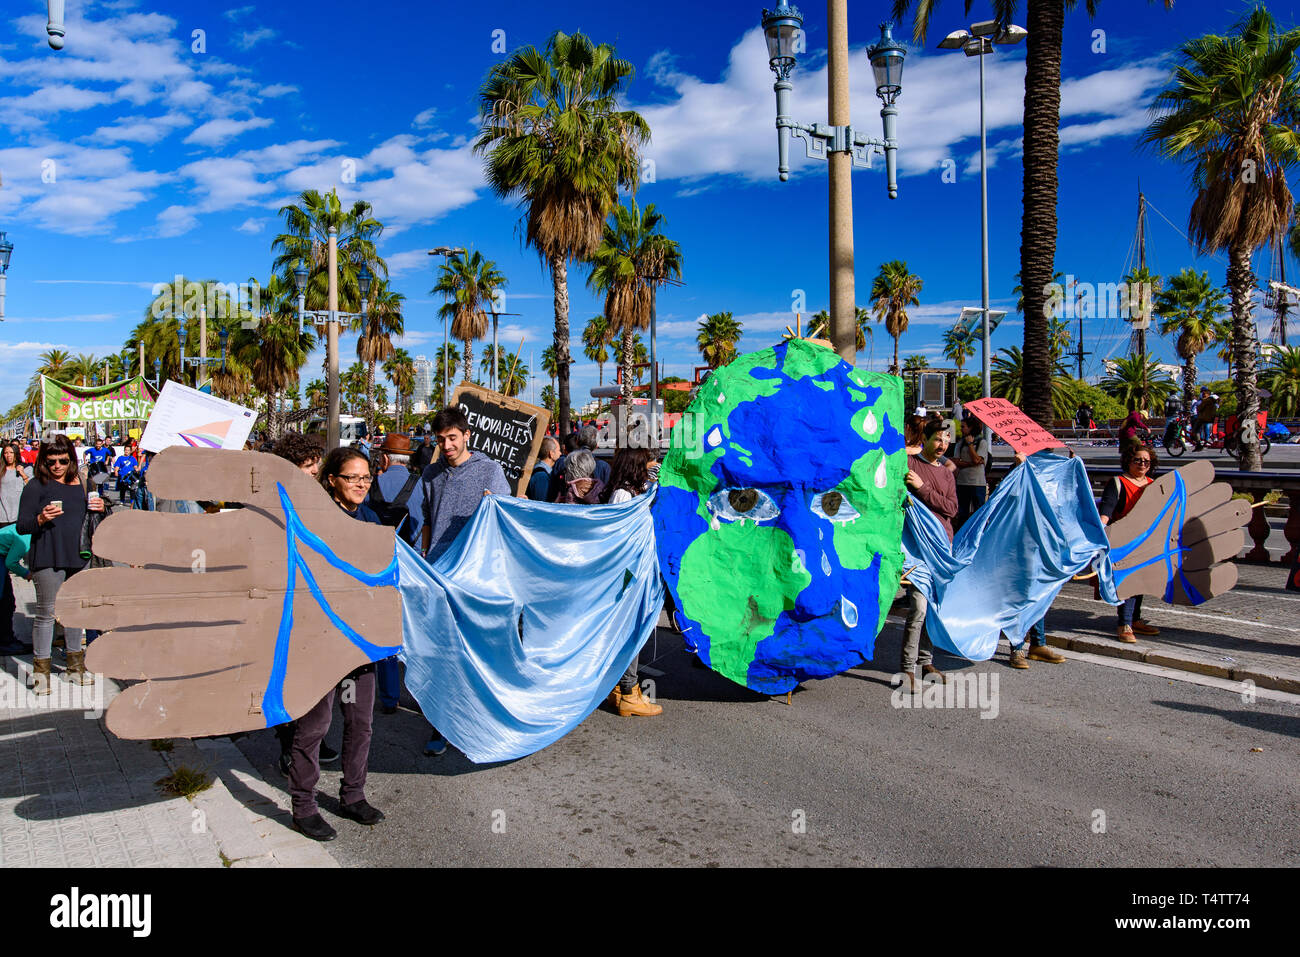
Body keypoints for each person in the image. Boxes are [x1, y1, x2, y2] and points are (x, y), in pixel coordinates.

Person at [288, 446, 387, 842]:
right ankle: (304, 806)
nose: (362, 484)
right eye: (353, 477)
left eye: (367, 477)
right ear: (332, 480)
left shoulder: (372, 518)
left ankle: (353, 796)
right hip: (319, 642)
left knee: (360, 723)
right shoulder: (310, 521)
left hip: (361, 643)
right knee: (314, 726)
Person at [419, 406, 510, 755]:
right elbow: (427, 519)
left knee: (477, 653)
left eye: (452, 438)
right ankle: (441, 725)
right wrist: (426, 556)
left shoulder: (489, 471)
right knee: (442, 655)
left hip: (478, 579)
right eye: (441, 440)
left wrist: (495, 505)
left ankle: (480, 722)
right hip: (439, 576)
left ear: (466, 435)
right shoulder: (430, 474)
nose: (447, 446)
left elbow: (505, 515)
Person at [269, 432, 338, 775]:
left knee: (314, 680)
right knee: (286, 677)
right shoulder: (274, 501)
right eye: (307, 465)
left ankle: (313, 736)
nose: (314, 471)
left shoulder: (319, 498)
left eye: (316, 464)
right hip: (284, 603)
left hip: (314, 603)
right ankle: (289, 745)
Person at [16, 435, 105, 692]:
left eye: (63, 460)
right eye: (51, 460)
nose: (57, 466)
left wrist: (100, 506)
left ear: (71, 459)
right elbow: (23, 525)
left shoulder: (83, 483)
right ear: (43, 460)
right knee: (46, 614)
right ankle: (41, 673)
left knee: (75, 611)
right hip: (46, 556)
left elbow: (94, 516)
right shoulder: (36, 485)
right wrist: (41, 519)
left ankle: (75, 667)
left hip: (79, 556)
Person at [598, 448, 662, 717]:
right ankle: (628, 691)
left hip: (632, 572)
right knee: (631, 630)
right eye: (646, 461)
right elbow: (619, 537)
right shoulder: (624, 495)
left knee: (629, 629)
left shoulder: (631, 492)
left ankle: (619, 689)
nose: (651, 465)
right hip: (627, 575)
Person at [900, 419, 958, 689]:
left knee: (935, 610)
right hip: (915, 550)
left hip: (941, 548)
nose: (943, 445)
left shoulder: (946, 472)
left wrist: (922, 487)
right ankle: (907, 669)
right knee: (919, 609)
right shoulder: (909, 465)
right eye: (938, 439)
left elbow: (951, 509)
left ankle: (927, 662)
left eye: (947, 440)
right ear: (927, 438)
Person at [371, 434, 426, 715]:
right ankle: (419, 692)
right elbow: (421, 526)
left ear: (385, 458)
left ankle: (389, 697)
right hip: (413, 567)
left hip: (381, 567)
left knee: (386, 634)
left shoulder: (373, 486)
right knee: (415, 632)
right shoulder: (419, 486)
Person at [1099, 443, 1160, 643]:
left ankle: (1135, 619)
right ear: (1128, 461)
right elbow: (1107, 510)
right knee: (1129, 581)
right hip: (1123, 541)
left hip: (1146, 540)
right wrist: (1101, 530)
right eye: (1138, 460)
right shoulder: (1118, 483)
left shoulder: (1154, 484)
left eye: (1146, 461)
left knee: (1141, 581)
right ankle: (1124, 623)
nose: (1142, 464)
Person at [951, 417, 989, 530]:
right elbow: (957, 461)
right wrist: (972, 463)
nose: (961, 429)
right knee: (962, 512)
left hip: (977, 482)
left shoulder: (982, 442)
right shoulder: (960, 443)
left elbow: (977, 459)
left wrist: (970, 445)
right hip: (963, 481)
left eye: (963, 427)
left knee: (979, 512)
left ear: (971, 427)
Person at [1, 443, 31, 529]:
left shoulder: (27, 469)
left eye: (11, 452)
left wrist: (23, 474)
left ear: (16, 454)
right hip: (3, 516)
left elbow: (32, 489)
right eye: (6, 453)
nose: (8, 455)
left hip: (21, 515)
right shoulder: (1, 470)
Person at [526, 436, 560, 500]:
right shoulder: (541, 476)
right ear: (551, 453)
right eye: (558, 450)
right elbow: (542, 503)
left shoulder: (545, 473)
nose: (560, 453)